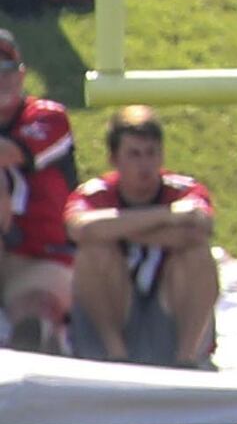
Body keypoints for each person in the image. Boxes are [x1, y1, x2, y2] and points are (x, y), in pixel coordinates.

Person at [59, 109, 214, 367]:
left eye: (152, 153)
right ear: (113, 158)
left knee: (197, 254)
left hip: (168, 312)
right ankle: (115, 356)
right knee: (95, 252)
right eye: (134, 154)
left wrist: (116, 228)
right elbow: (81, 230)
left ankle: (187, 360)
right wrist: (166, 216)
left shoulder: (184, 189)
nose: (145, 165)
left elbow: (199, 229)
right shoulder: (94, 194)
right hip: (116, 312)